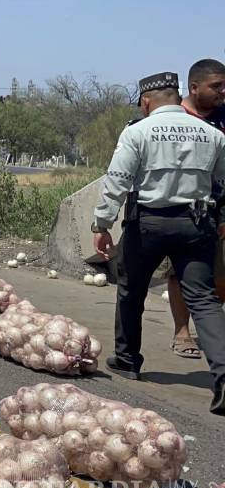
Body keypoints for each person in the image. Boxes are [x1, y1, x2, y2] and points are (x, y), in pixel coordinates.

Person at [92, 71, 225, 415]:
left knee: (131, 289)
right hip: (196, 224)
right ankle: (223, 375)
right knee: (204, 300)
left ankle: (127, 359)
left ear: (146, 101)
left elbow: (117, 180)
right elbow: (222, 181)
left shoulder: (138, 131)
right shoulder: (212, 134)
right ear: (177, 95)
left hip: (148, 223)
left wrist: (102, 223)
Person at [165, 59, 225, 358]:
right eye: (216, 86)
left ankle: (214, 334)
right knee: (180, 273)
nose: (222, 92)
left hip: (219, 208)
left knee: (218, 276)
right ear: (194, 87)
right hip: (180, 210)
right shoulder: (174, 118)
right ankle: (182, 332)